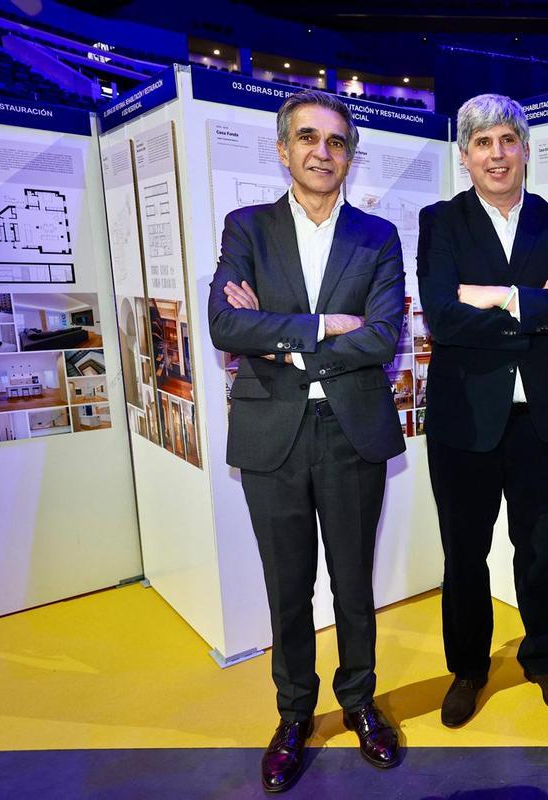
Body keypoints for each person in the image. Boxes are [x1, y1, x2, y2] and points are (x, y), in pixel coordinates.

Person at [208, 90, 405, 792]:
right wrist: (322, 327)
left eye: (337, 141)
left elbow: (383, 337)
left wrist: (278, 337)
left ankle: (360, 703)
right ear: (283, 149)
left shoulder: (377, 236)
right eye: (308, 138)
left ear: (350, 155)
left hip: (351, 433)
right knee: (287, 588)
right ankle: (294, 715)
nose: (323, 152)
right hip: (272, 435)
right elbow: (225, 326)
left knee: (353, 584)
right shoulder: (247, 228)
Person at [417, 94, 548, 727]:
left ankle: (542, 658)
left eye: (507, 141)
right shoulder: (441, 221)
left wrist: (500, 297)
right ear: (464, 155)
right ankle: (468, 669)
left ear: (525, 149)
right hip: (463, 424)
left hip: (541, 423)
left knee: (540, 551)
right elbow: (443, 318)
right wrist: (537, 303)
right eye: (483, 143)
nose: (497, 154)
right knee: (464, 556)